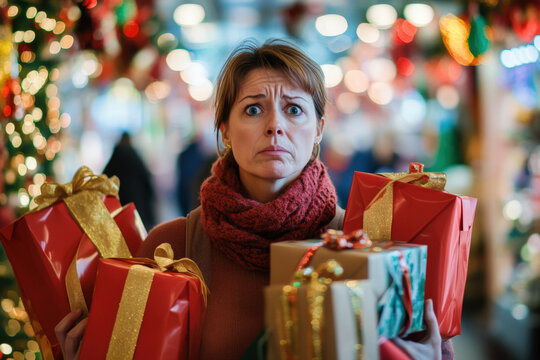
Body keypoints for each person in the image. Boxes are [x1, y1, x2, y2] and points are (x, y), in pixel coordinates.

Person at [56, 39, 450, 360]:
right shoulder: (172, 247)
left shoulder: (370, 246)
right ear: (225, 130)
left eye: (294, 109)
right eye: (253, 109)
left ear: (318, 130)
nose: (275, 125)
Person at [103, 132, 157, 230]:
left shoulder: (114, 158)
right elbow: (147, 181)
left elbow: (104, 180)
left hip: (119, 206)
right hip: (137, 203)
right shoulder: (135, 156)